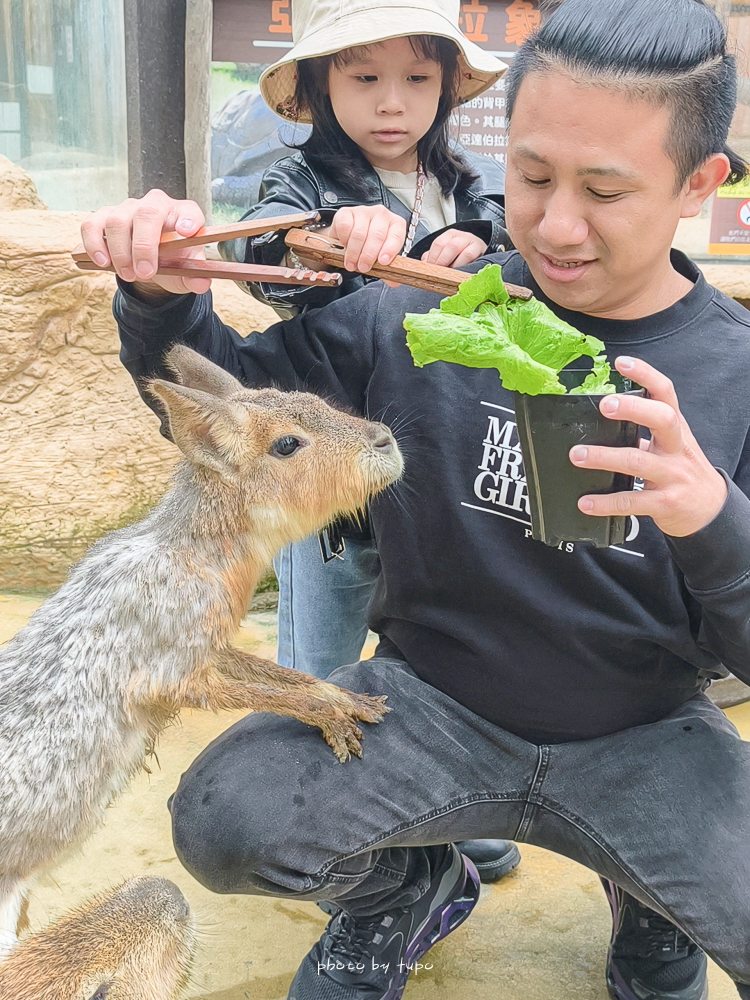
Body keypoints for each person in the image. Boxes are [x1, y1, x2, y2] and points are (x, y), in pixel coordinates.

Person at [86, 1, 750, 998]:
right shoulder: (424, 306)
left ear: (699, 183)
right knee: (227, 813)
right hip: (428, 706)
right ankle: (407, 885)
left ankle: (648, 903)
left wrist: (712, 520)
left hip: (646, 731)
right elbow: (230, 419)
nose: (556, 224)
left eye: (604, 190)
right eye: (531, 177)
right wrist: (159, 297)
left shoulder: (734, 373)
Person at [236, 0, 526, 885]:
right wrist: (328, 243)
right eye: (364, 77)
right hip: (327, 481)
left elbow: (513, 256)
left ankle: (438, 812)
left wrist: (478, 244)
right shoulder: (299, 187)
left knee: (430, 653)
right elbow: (272, 257)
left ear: (445, 87)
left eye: (417, 78)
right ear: (322, 85)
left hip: (434, 469)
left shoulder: (469, 184)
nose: (392, 101)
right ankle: (311, 829)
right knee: (319, 655)